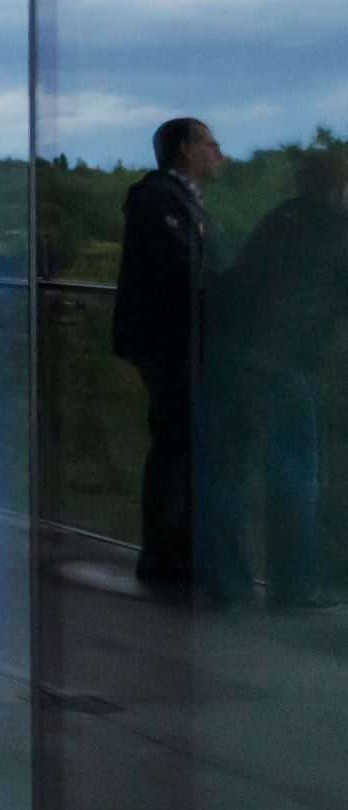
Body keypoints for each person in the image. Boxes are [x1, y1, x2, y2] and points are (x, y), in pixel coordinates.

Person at [197, 147, 346, 610]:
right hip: (277, 362)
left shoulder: (279, 218)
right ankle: (294, 586)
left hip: (224, 354)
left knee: (223, 474)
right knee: (295, 473)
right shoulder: (340, 231)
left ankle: (227, 586)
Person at [111, 116, 228, 589]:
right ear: (185, 149)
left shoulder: (174, 201)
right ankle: (166, 558)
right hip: (169, 343)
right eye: (210, 144)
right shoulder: (158, 198)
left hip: (170, 341)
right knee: (176, 445)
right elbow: (183, 265)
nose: (219, 154)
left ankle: (172, 554)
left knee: (177, 444)